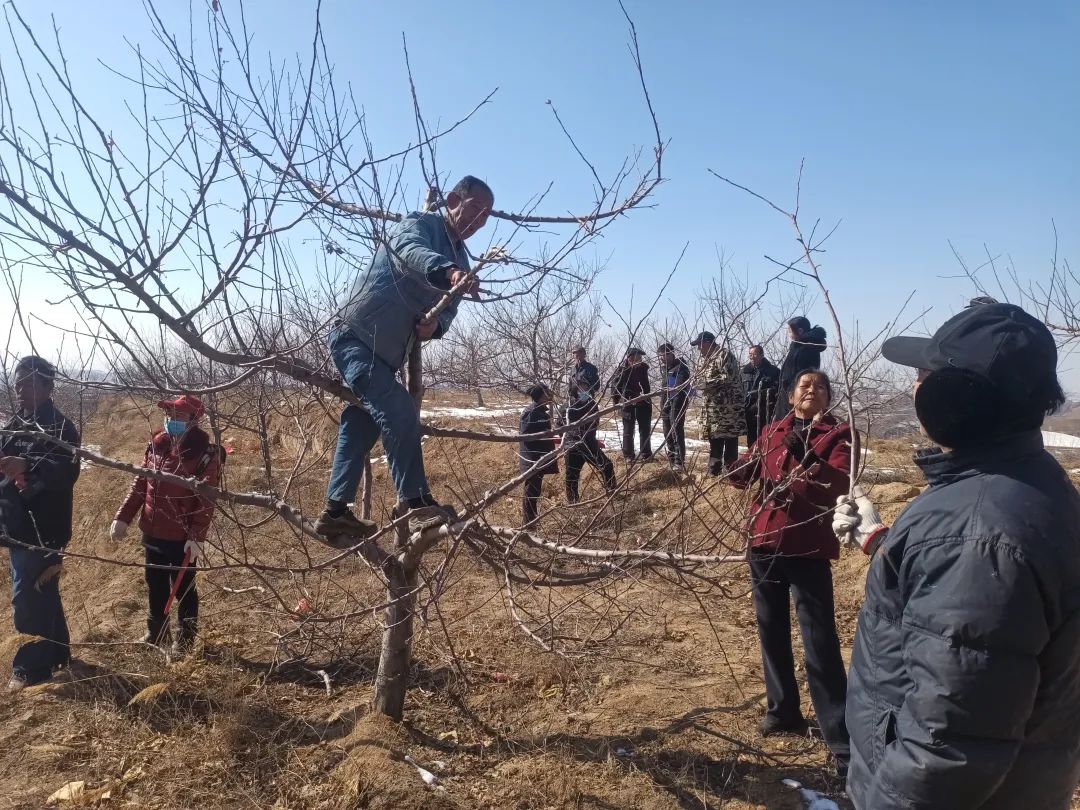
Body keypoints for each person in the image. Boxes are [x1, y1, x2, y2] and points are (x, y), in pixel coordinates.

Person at [833, 300, 1080, 809]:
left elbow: (947, 747)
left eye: (925, 375)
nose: (914, 386)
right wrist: (881, 542)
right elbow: (970, 632)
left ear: (956, 397)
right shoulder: (1027, 486)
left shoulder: (975, 530)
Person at [318, 176, 492, 540]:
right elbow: (410, 251)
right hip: (356, 337)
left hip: (387, 358)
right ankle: (417, 503)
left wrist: (436, 326)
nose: (479, 221)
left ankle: (335, 513)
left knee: (361, 422)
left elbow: (448, 312)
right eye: (474, 208)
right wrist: (447, 273)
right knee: (398, 410)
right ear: (452, 200)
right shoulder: (420, 224)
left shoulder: (461, 258)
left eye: (486, 216)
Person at [726, 369, 851, 775]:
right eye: (803, 385)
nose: (811, 390)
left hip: (808, 546)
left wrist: (809, 454)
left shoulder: (840, 434)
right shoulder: (772, 430)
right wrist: (733, 466)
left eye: (819, 386)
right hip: (763, 542)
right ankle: (783, 711)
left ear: (828, 397)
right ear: (791, 394)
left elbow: (837, 483)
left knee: (819, 640)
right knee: (771, 629)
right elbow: (747, 473)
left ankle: (839, 734)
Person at [111, 395, 222, 653]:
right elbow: (141, 484)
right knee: (155, 581)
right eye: (169, 414)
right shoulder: (156, 445)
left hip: (181, 535)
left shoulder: (205, 454)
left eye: (178, 416)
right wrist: (123, 517)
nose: (171, 420)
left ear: (194, 421)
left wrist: (196, 536)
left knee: (184, 588)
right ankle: (156, 633)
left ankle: (184, 641)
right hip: (152, 530)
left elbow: (206, 499)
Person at [0, 356, 80, 691]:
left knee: (27, 604)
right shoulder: (16, 424)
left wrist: (27, 466)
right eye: (18, 383)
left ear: (48, 387)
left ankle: (32, 666)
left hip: (42, 530)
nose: (21, 389)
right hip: (16, 527)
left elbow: (67, 473)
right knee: (43, 594)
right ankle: (59, 653)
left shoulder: (61, 428)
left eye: (30, 383)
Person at [692, 331, 746, 475]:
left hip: (727, 410)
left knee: (729, 440)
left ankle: (731, 473)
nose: (699, 348)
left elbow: (728, 377)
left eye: (700, 345)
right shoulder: (706, 359)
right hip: (713, 410)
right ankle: (713, 472)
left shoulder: (724, 355)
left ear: (708, 343)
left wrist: (706, 383)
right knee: (715, 440)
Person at [564, 376, 616, 503]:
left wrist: (587, 432)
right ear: (575, 388)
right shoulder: (568, 406)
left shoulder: (592, 404)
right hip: (573, 444)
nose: (584, 389)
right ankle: (573, 503)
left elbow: (595, 422)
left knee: (607, 466)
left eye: (586, 387)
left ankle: (613, 495)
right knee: (572, 476)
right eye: (581, 386)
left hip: (589, 443)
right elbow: (561, 426)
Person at [773, 316, 827, 422]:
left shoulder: (807, 348)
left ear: (800, 331)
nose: (788, 334)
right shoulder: (799, 346)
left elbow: (803, 376)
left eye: (790, 330)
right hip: (789, 395)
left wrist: (790, 391)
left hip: (797, 397)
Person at [518, 385, 557, 525]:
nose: (549, 396)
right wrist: (544, 435)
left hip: (540, 458)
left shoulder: (541, 412)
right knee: (531, 493)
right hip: (532, 459)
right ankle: (529, 525)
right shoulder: (531, 412)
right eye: (547, 394)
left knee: (535, 492)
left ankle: (531, 522)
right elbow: (525, 435)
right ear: (541, 396)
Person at [611, 347, 652, 461]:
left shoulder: (643, 368)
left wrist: (646, 398)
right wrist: (616, 403)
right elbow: (615, 387)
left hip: (643, 403)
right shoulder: (621, 370)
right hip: (627, 403)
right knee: (628, 431)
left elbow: (646, 386)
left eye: (640, 358)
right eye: (637, 357)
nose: (639, 360)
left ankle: (646, 454)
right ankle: (628, 455)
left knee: (645, 430)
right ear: (630, 358)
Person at [657, 343, 691, 472]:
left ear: (671, 354)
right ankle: (671, 460)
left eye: (664, 355)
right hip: (665, 404)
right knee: (667, 433)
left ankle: (679, 462)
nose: (661, 359)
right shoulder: (665, 368)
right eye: (660, 356)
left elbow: (680, 386)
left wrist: (673, 396)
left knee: (676, 433)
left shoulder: (681, 367)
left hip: (677, 403)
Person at [742, 345, 780, 447]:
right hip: (749, 413)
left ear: (761, 355)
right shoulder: (744, 372)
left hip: (766, 413)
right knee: (751, 443)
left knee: (765, 442)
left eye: (755, 354)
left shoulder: (773, 371)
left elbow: (778, 391)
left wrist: (762, 393)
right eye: (750, 354)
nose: (752, 357)